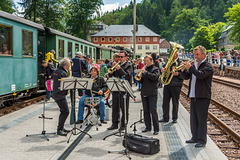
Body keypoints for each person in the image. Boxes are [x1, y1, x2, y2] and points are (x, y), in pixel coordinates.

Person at [181, 45, 213, 148]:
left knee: (201, 119)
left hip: (203, 96)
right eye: (195, 54)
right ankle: (194, 137)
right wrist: (183, 70)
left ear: (204, 54)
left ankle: (202, 140)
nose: (196, 57)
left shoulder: (208, 66)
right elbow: (187, 77)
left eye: (198, 54)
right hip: (193, 95)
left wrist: (190, 68)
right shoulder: (194, 65)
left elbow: (200, 75)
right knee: (193, 118)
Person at [107, 51, 133, 130]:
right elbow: (111, 75)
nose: (120, 58)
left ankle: (123, 125)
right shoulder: (116, 65)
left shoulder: (129, 66)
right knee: (115, 107)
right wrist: (112, 69)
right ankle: (114, 124)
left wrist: (120, 69)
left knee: (124, 108)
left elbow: (127, 76)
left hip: (124, 89)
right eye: (119, 57)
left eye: (122, 57)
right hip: (116, 89)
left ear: (126, 57)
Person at [138, 55, 160, 135]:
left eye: (147, 61)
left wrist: (145, 73)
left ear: (151, 61)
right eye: (145, 61)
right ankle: (148, 127)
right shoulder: (145, 69)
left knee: (153, 111)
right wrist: (140, 77)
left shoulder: (155, 69)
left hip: (152, 93)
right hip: (144, 92)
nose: (145, 62)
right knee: (146, 111)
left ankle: (156, 128)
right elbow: (142, 82)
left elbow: (154, 77)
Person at [159, 53, 183, 123]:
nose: (172, 55)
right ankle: (165, 117)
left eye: (174, 53)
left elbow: (184, 75)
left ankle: (174, 118)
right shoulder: (168, 62)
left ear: (177, 55)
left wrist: (178, 74)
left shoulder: (180, 63)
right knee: (165, 102)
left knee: (175, 102)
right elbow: (163, 70)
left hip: (176, 85)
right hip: (167, 84)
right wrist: (162, 70)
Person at [52, 58, 71, 136]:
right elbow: (65, 86)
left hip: (56, 93)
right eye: (69, 65)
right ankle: (59, 129)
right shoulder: (63, 73)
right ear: (66, 66)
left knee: (63, 111)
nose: (70, 66)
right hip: (60, 94)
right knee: (65, 111)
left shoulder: (56, 71)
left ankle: (61, 127)